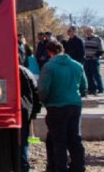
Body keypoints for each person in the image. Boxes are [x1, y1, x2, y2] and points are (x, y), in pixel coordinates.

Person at [38, 40, 86, 172]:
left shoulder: (49, 67)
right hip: (75, 105)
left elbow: (43, 90)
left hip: (56, 106)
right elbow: (84, 87)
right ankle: (78, 166)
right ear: (63, 49)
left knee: (58, 140)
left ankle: (59, 167)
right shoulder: (77, 65)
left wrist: (43, 102)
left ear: (49, 52)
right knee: (75, 137)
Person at [19, 65, 41, 172]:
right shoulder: (26, 72)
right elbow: (35, 92)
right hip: (25, 109)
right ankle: (23, 166)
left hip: (9, 110)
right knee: (23, 140)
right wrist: (35, 111)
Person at [82, 26, 104, 95]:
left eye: (89, 31)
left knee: (96, 74)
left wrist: (95, 56)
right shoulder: (84, 39)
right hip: (86, 59)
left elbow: (101, 50)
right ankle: (92, 89)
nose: (88, 32)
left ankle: (100, 89)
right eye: (87, 31)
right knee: (88, 74)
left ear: (92, 31)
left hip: (94, 59)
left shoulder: (98, 39)